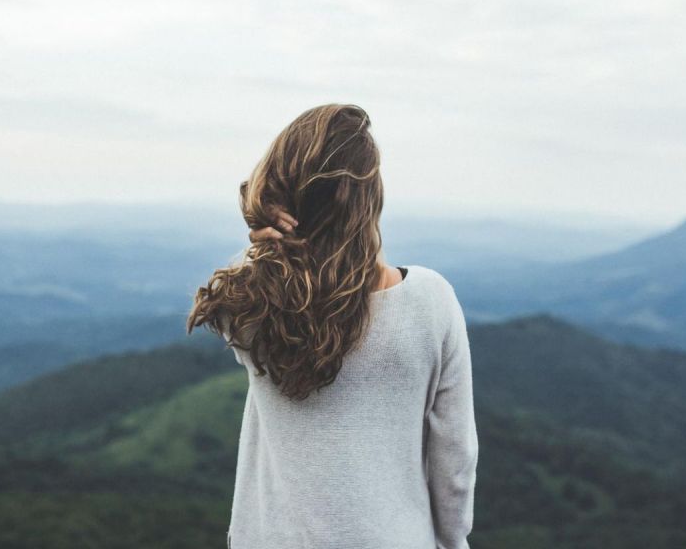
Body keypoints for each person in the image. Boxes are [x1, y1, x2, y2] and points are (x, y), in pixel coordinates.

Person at [186, 104, 478, 549]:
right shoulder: (430, 302)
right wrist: (452, 542)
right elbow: (454, 461)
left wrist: (258, 229)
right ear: (369, 197)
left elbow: (241, 287)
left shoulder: (252, 307)